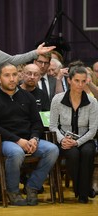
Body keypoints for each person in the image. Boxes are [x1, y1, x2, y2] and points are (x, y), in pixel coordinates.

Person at [0, 63, 59, 206]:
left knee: (52, 149)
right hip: (5, 141)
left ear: (18, 76)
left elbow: (37, 122)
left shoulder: (27, 97)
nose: (11, 79)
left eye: (14, 75)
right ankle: (13, 191)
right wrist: (18, 140)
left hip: (29, 139)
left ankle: (32, 186)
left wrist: (34, 138)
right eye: (7, 75)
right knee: (17, 153)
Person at [49, 64, 98, 204]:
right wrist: (62, 140)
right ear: (69, 80)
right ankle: (83, 189)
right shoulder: (57, 100)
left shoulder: (92, 102)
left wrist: (77, 142)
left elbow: (93, 129)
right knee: (73, 154)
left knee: (88, 152)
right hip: (64, 139)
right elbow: (53, 126)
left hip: (85, 138)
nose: (80, 84)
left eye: (83, 81)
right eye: (77, 80)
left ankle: (82, 193)